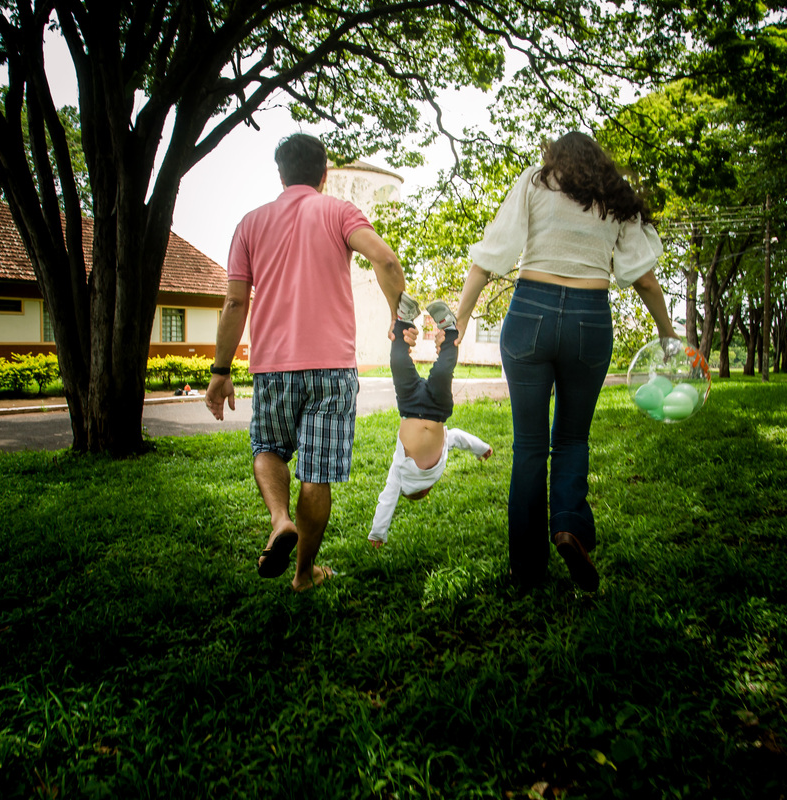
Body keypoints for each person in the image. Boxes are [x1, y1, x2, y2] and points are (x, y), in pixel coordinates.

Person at [451, 131, 678, 591]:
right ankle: (570, 525)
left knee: (529, 446)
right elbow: (645, 280)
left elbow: (489, 257)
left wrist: (460, 322)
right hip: (589, 321)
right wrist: (668, 335)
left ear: (554, 156)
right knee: (572, 438)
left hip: (529, 314)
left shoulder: (536, 181)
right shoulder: (614, 197)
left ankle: (526, 570)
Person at [205, 133, 407, 592]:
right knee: (317, 474)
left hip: (272, 367)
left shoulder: (250, 224)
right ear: (324, 174)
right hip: (332, 368)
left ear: (281, 175)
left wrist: (220, 371)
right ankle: (303, 574)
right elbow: (386, 260)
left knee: (268, 448)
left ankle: (280, 520)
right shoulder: (339, 212)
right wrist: (398, 316)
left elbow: (235, 302)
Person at [367, 299, 494, 547]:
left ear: (422, 490)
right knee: (442, 370)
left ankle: (404, 319)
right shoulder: (438, 461)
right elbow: (458, 437)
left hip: (410, 406)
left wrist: (378, 532)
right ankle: (448, 329)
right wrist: (481, 448)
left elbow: (388, 498)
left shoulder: (400, 474)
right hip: (435, 408)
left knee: (401, 365)